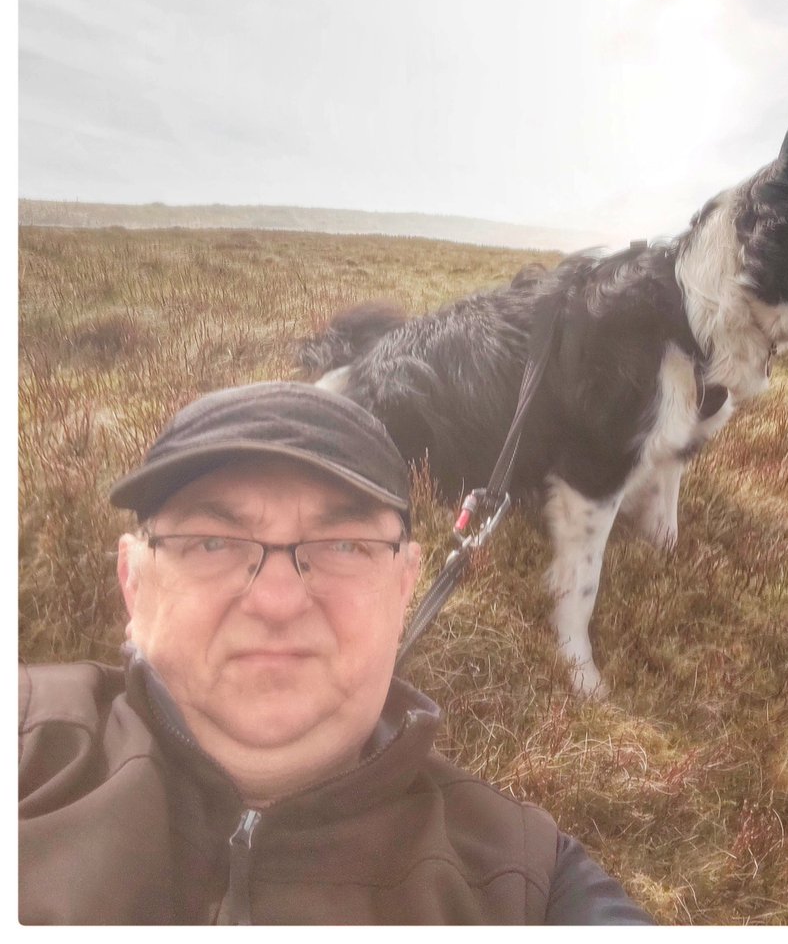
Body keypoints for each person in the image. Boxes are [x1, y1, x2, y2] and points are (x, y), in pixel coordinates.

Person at [18, 381, 653, 925]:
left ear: (405, 584)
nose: (277, 600)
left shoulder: (528, 883)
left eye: (344, 545)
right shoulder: (26, 741)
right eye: (212, 542)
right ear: (134, 582)